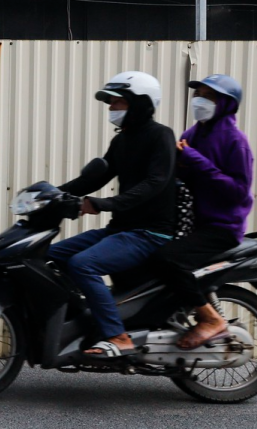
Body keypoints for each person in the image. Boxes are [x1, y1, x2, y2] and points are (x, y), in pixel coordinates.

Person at [48, 71, 178, 358]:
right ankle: (80, 322)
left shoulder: (161, 136)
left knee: (82, 264)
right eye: (111, 102)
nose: (111, 108)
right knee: (50, 256)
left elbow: (155, 183)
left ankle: (118, 337)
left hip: (149, 233)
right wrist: (51, 194)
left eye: (118, 101)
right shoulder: (122, 141)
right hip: (121, 229)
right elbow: (95, 178)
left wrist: (105, 204)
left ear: (140, 103)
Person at [154, 74, 253, 350]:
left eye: (209, 97)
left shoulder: (236, 141)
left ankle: (210, 319)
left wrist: (194, 160)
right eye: (198, 95)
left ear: (225, 103)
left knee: (168, 259)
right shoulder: (192, 134)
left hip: (222, 228)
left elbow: (238, 191)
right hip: (192, 225)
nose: (200, 101)